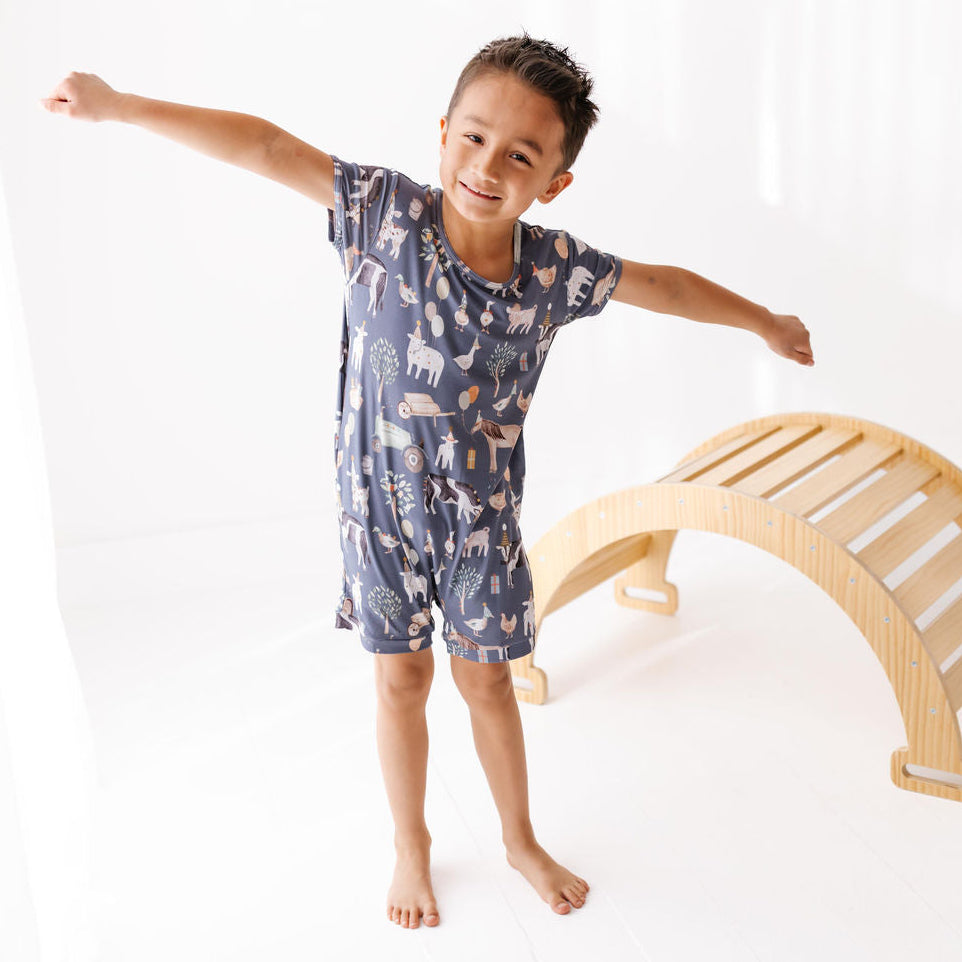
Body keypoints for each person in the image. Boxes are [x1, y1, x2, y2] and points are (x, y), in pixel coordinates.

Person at [41, 33, 814, 931]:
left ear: (553, 183)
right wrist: (121, 105)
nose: (489, 166)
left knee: (488, 682)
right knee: (400, 682)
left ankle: (519, 839)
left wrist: (765, 323)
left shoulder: (553, 270)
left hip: (480, 525)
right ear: (443, 133)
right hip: (378, 515)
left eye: (521, 155)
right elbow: (264, 146)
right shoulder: (381, 213)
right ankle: (412, 844)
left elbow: (665, 287)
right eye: (475, 138)